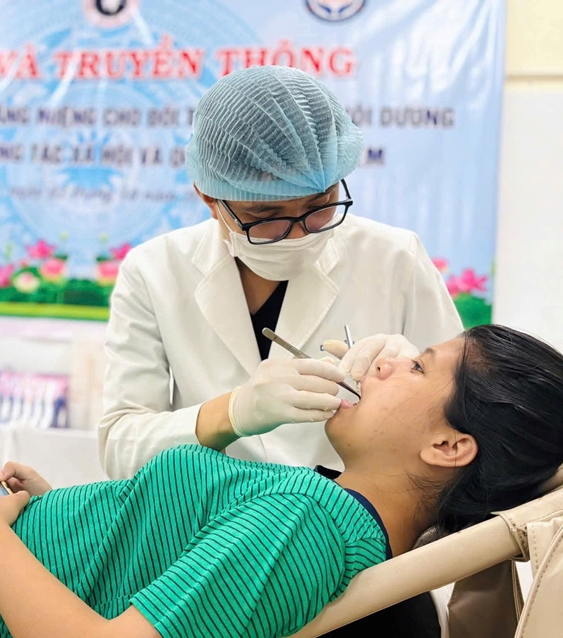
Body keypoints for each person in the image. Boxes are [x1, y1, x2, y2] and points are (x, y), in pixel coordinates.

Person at [0, 325, 562, 638]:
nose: (380, 362)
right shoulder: (318, 502)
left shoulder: (313, 521)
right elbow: (156, 566)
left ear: (452, 448)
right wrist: (58, 512)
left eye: (417, 366)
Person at [99, 66, 464, 479]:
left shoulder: (394, 257)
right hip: (208, 527)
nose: (299, 233)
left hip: (353, 522)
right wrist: (231, 412)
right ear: (209, 197)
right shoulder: (155, 270)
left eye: (319, 204)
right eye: (266, 215)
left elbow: (466, 427)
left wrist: (424, 377)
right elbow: (120, 448)